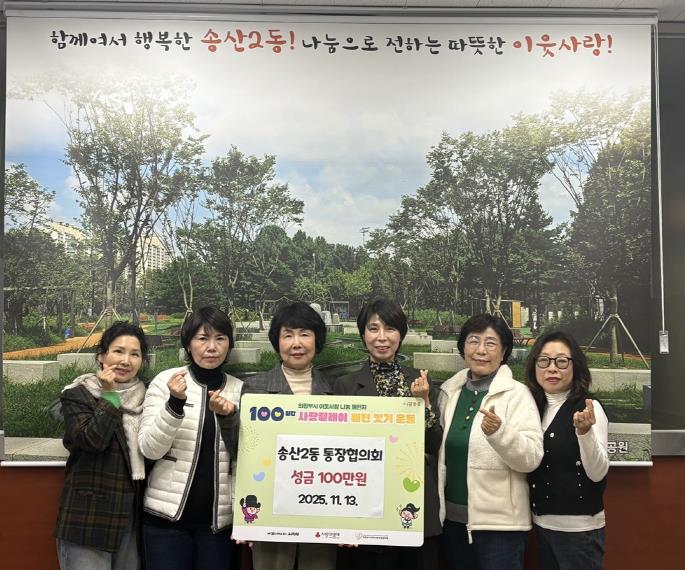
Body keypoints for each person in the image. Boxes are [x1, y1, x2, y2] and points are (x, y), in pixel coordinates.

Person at [334, 298, 442, 570]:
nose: (382, 337)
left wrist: (424, 402)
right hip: (364, 503)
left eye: (390, 329)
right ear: (363, 334)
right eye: (373, 329)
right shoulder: (345, 386)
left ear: (401, 334)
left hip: (413, 500)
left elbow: (433, 445)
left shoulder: (421, 381)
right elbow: (339, 453)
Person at [139, 306, 242, 570]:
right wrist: (175, 403)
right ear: (188, 344)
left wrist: (231, 415)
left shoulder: (240, 390)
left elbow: (248, 454)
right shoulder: (166, 382)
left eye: (220, 338)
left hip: (219, 524)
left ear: (229, 345)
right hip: (165, 520)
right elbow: (149, 449)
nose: (212, 347)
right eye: (202, 338)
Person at [438, 314, 543, 570]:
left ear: (504, 351)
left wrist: (500, 433)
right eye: (473, 341)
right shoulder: (449, 393)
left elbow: (531, 458)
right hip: (452, 523)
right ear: (463, 347)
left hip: (500, 530)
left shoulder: (517, 395)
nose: (481, 350)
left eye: (491, 343)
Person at [241, 301, 336, 570]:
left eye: (305, 334)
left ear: (317, 340)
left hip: (322, 511)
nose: (297, 343)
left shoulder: (335, 390)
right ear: (277, 341)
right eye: (288, 335)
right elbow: (244, 451)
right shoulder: (255, 388)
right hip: (272, 509)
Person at [55, 321, 149, 570]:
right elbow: (92, 440)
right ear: (101, 356)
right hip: (88, 517)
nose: (126, 361)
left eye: (135, 354)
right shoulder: (77, 394)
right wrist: (110, 396)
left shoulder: (149, 398)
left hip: (130, 517)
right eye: (118, 351)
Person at [524, 330, 609, 570]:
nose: (552, 368)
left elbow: (598, 473)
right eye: (544, 361)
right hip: (541, 525)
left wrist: (585, 433)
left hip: (579, 533)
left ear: (575, 366)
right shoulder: (531, 407)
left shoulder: (590, 409)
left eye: (561, 361)